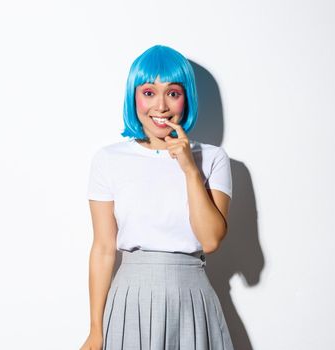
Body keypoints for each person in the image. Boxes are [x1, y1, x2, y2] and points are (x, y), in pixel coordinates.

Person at [80, 45, 234, 349]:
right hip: (130, 298)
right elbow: (102, 249)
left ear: (186, 98)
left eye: (173, 93)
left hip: (192, 296)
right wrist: (96, 331)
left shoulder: (213, 158)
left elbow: (211, 241)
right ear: (133, 97)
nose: (161, 106)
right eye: (149, 92)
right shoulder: (109, 159)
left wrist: (190, 168)